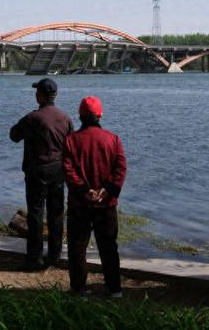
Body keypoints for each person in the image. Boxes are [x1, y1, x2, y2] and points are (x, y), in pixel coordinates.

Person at [63, 96, 127, 297]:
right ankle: (114, 288)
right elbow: (120, 168)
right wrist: (106, 189)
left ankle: (79, 288)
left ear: (80, 116)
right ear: (100, 115)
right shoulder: (113, 139)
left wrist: (85, 190)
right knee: (109, 247)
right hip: (106, 204)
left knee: (77, 247)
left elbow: (68, 170)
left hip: (79, 204)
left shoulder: (71, 140)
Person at [10, 78, 73, 270]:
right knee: (56, 213)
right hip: (58, 170)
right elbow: (71, 145)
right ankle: (55, 255)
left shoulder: (33, 118)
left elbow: (14, 135)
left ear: (41, 96)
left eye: (37, 92)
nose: (35, 94)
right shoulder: (65, 118)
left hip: (37, 171)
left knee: (36, 214)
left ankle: (34, 258)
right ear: (55, 95)